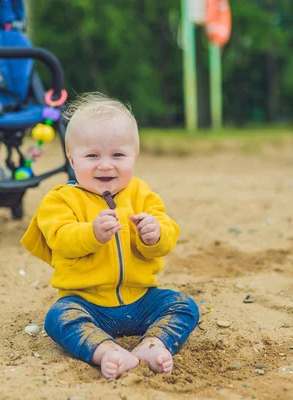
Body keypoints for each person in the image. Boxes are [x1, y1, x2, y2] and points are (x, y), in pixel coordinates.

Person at [21, 92, 199, 379]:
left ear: (134, 156)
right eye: (92, 156)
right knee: (58, 318)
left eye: (118, 155)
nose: (105, 165)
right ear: (71, 158)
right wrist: (91, 233)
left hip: (141, 300)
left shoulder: (142, 194)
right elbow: (60, 238)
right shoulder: (60, 200)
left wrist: (154, 235)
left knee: (183, 305)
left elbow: (167, 233)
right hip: (86, 302)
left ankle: (153, 344)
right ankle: (105, 349)